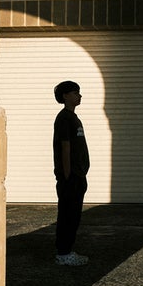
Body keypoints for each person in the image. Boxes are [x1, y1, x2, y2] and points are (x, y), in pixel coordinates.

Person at [51, 80, 91, 265]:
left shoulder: (73, 118)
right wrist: (68, 176)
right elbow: (65, 148)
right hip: (71, 178)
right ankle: (64, 254)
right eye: (75, 93)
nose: (79, 96)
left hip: (78, 176)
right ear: (65, 96)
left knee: (73, 216)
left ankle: (66, 251)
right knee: (68, 215)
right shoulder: (64, 118)